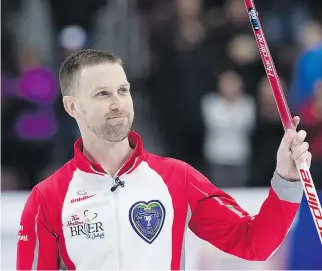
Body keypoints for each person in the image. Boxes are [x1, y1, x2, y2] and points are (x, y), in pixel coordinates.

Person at [16, 49, 311, 270]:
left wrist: (286, 179)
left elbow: (254, 243)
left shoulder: (176, 178)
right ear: (72, 106)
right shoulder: (47, 198)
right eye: (102, 94)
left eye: (123, 90)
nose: (118, 103)